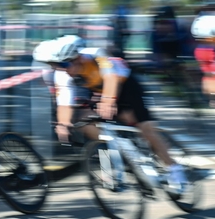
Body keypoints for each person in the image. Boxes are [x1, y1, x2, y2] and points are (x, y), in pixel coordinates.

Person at [33, 35, 188, 195]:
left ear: (78, 58)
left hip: (126, 86)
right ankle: (110, 166)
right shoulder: (62, 73)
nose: (63, 69)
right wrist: (63, 124)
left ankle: (174, 169)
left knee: (145, 129)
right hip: (100, 91)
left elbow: (111, 78)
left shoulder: (97, 55)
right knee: (88, 124)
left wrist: (108, 101)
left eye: (65, 64)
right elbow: (64, 103)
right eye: (57, 65)